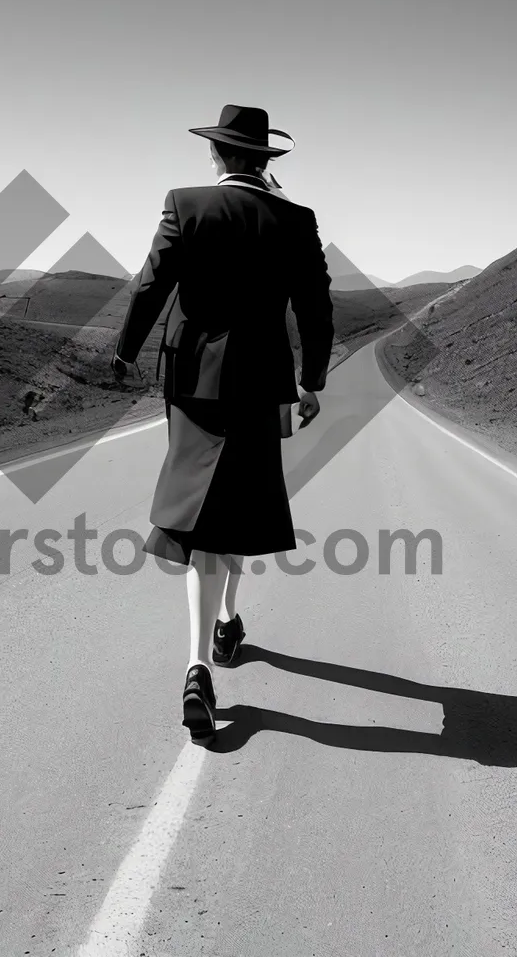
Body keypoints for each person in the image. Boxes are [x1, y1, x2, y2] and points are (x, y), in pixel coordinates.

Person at [110, 104, 334, 744]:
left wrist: (125, 351)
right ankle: (226, 623)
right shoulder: (296, 219)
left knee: (204, 513)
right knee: (232, 507)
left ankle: (201, 662)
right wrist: (311, 382)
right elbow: (315, 308)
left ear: (218, 155)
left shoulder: (186, 204)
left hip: (193, 384)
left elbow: (151, 285)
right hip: (262, 384)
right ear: (262, 159)